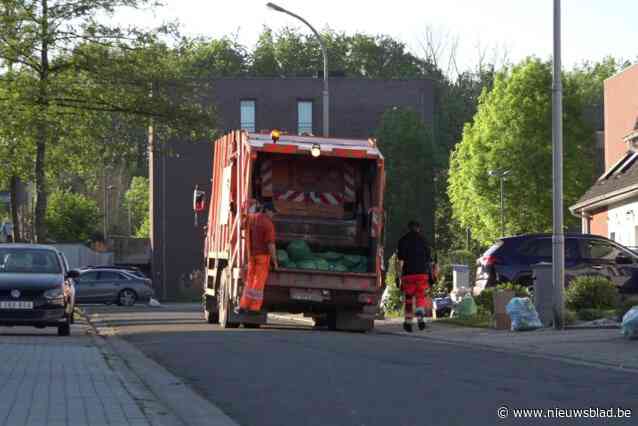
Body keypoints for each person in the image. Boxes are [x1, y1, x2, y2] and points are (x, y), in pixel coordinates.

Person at [237, 201, 278, 314]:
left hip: (251, 256)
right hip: (263, 257)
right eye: (273, 212)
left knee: (249, 281)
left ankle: (243, 306)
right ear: (267, 211)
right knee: (258, 283)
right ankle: (254, 308)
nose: (273, 215)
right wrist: (275, 261)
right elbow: (270, 244)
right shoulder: (268, 223)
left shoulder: (251, 218)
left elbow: (241, 226)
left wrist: (246, 213)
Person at [396, 220, 432, 332]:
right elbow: (429, 259)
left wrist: (398, 276)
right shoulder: (424, 240)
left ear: (409, 228)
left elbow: (400, 260)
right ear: (419, 228)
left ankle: (408, 322)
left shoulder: (403, 240)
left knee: (408, 298)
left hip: (408, 274)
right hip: (422, 274)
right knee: (420, 295)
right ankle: (420, 314)